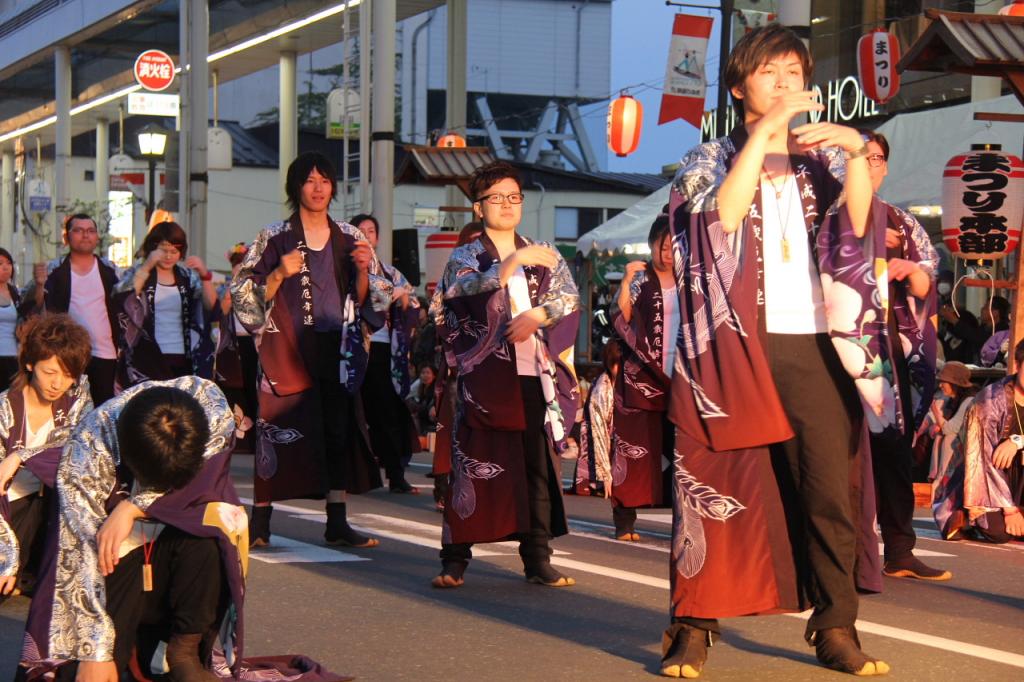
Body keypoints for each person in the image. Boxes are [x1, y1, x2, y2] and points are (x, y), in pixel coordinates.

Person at [662, 25, 888, 678]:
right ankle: (694, 625)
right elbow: (713, 224)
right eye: (771, 72)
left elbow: (860, 232)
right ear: (740, 87)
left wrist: (855, 149)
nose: (788, 83)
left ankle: (836, 625)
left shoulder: (822, 159)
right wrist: (762, 138)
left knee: (827, 489)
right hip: (732, 343)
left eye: (796, 71)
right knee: (710, 480)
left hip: (814, 345)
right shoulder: (711, 156)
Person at [18, 377, 247, 681]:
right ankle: (120, 652)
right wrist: (95, 651)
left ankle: (183, 650)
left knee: (216, 525)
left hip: (176, 549)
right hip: (114, 557)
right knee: (88, 669)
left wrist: (135, 506)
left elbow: (207, 480)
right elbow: (77, 552)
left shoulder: (210, 403)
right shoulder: (88, 446)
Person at [430, 160, 580, 589]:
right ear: (478, 208)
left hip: (533, 372)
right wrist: (509, 264)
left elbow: (568, 299)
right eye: (496, 198)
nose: (507, 205)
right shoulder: (467, 255)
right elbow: (455, 294)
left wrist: (538, 314)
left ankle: (537, 558)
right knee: (472, 462)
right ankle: (455, 559)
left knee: (535, 466)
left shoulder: (542, 251)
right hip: (484, 380)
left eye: (514, 197)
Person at [232, 151, 391, 549]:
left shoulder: (352, 237)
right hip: (285, 346)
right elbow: (242, 295)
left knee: (337, 431)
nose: (318, 188)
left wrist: (362, 270)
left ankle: (336, 521)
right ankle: (261, 522)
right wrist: (279, 273)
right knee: (275, 429)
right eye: (309, 180)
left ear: (334, 186)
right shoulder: (274, 236)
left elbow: (381, 298)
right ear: (295, 187)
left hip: (337, 346)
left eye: (324, 180)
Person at [859, 130, 949, 581]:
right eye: (858, 158)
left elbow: (927, 282)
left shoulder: (899, 220)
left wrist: (911, 269)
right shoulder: (816, 217)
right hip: (828, 348)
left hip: (885, 350)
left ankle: (898, 548)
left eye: (875, 158)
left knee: (891, 446)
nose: (868, 165)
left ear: (885, 167)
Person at [0, 314, 92, 597]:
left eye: (67, 374)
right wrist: (7, 556)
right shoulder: (6, 406)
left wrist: (21, 456)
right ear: (30, 363)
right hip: (9, 508)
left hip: (53, 507)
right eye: (49, 373)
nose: (58, 384)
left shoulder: (77, 397)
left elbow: (78, 447)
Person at [605, 211, 677, 540]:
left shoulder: (692, 279)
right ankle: (625, 521)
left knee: (684, 453)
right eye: (662, 246)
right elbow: (619, 315)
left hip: (683, 378)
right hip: (641, 378)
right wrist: (623, 282)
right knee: (633, 451)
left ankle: (684, 518)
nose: (668, 252)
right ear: (651, 245)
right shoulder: (640, 277)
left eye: (674, 245)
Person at [351, 213, 422, 494]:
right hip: (352, 348)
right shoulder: (344, 270)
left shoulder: (391, 272)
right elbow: (366, 302)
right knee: (351, 411)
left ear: (377, 238)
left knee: (388, 412)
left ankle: (395, 473)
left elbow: (412, 302)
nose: (367, 235)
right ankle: (350, 475)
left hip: (383, 349)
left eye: (371, 230)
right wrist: (395, 294)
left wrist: (401, 297)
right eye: (361, 231)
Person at [21, 214, 121, 405]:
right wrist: (40, 285)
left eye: (91, 231)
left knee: (104, 408)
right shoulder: (53, 270)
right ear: (67, 237)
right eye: (79, 230)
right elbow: (31, 307)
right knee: (67, 408)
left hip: (105, 353)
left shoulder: (111, 271)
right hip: (66, 351)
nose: (85, 235)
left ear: (97, 238)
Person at [933, 340, 1024, 544]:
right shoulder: (990, 401)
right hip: (982, 480)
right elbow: (981, 460)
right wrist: (1009, 511)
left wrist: (1017, 441)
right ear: (1017, 366)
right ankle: (965, 516)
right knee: (1000, 532)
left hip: (1018, 478)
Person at [114, 221, 217, 386]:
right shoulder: (139, 271)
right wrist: (148, 264)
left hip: (183, 352)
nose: (168, 256)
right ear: (153, 248)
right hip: (147, 353)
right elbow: (123, 296)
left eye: (174, 251)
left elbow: (210, 306)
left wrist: (205, 275)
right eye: (163, 250)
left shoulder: (187, 276)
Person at [214, 242, 260, 451]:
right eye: (236, 264)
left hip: (251, 343)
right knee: (231, 388)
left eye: (242, 264)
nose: (238, 268)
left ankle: (254, 439)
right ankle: (235, 439)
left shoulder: (256, 287)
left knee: (252, 387)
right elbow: (219, 313)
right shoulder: (225, 287)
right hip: (230, 344)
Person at [929, 361, 979, 538]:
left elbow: (950, 428)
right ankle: (939, 480)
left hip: (972, 450)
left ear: (954, 383)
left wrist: (936, 413)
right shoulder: (952, 399)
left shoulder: (968, 401)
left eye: (944, 381)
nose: (941, 384)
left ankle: (941, 481)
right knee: (942, 437)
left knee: (948, 438)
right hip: (964, 447)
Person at [574, 340, 621, 498]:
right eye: (616, 364)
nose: (619, 369)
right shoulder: (602, 388)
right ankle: (599, 481)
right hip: (599, 451)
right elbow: (599, 433)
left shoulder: (625, 383)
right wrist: (605, 475)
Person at [0, 248, 22, 391]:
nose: (6, 267)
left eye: (9, 263)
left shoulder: (15, 293)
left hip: (13, 357)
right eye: (0, 263)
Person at [406, 364, 437, 436]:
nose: (425, 375)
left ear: (434, 376)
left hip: (433, 422)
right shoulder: (421, 388)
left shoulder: (436, 390)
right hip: (423, 419)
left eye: (428, 373)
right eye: (423, 373)